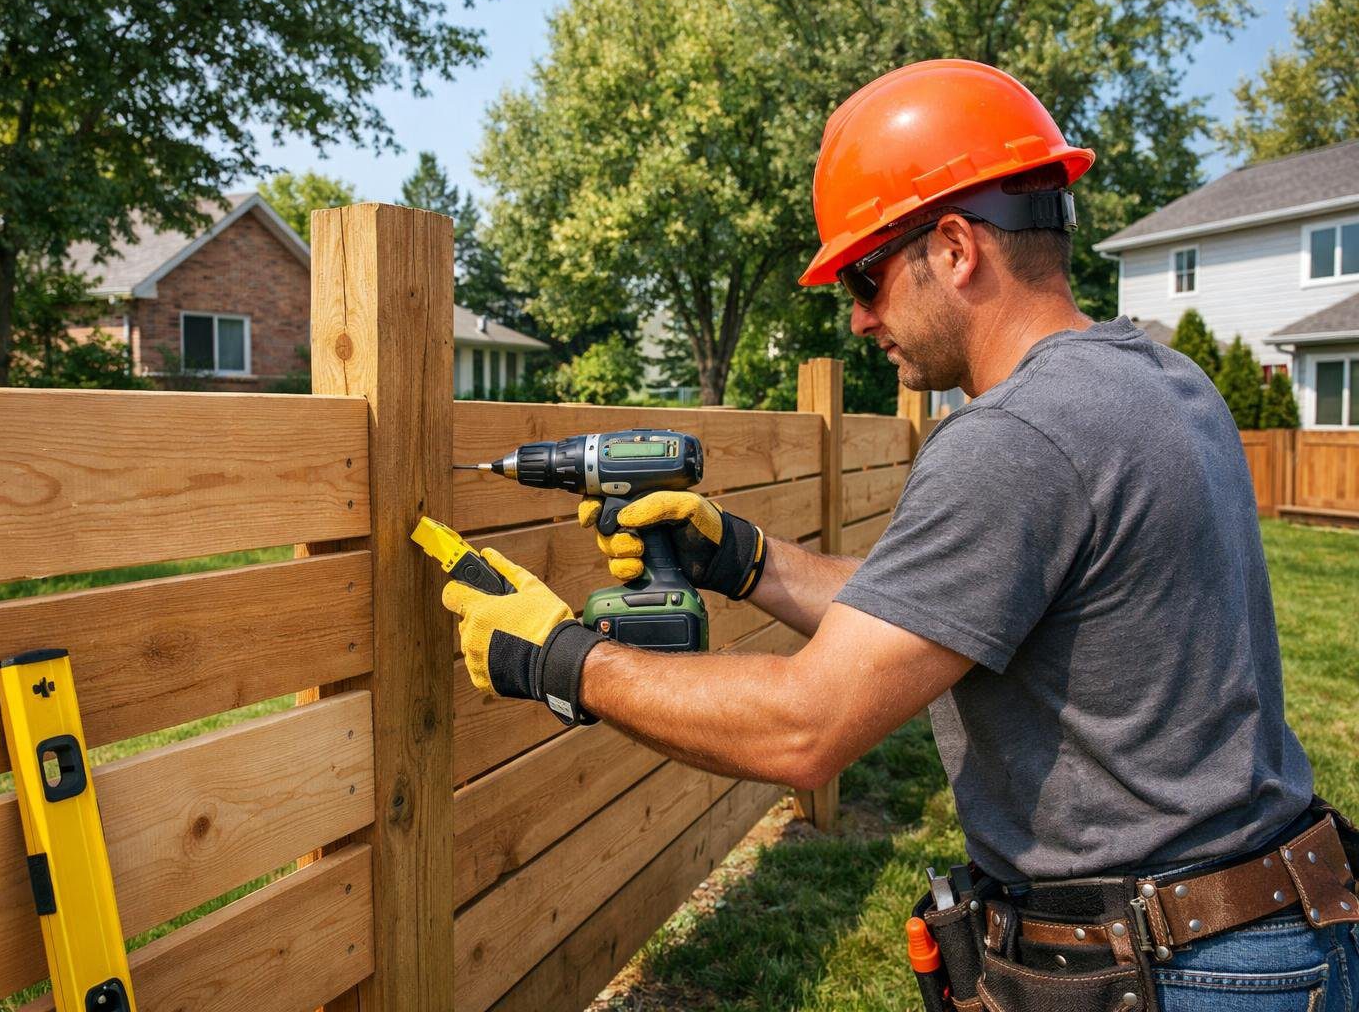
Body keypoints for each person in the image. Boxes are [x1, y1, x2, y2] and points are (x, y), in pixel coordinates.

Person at [439, 59, 1359, 1010]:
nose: (860, 314)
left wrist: (560, 660)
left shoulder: (1015, 438)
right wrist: (744, 560)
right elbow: (950, 616)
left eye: (868, 274)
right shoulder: (1160, 383)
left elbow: (808, 727)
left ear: (956, 246)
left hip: (1176, 969)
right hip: (1278, 928)